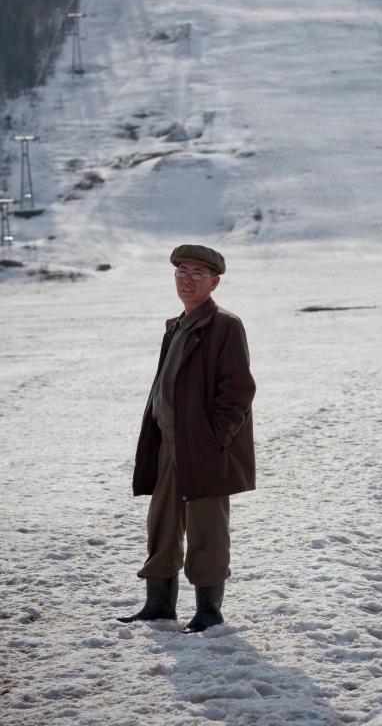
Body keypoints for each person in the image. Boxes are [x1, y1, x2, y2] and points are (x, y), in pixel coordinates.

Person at [118, 244, 256, 633]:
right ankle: (159, 604)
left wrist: (216, 438)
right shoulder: (177, 324)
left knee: (206, 529)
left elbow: (238, 390)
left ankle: (208, 612)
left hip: (206, 447)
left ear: (214, 281)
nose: (187, 279)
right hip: (168, 445)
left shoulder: (225, 325)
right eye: (181, 271)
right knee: (161, 525)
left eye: (197, 273)